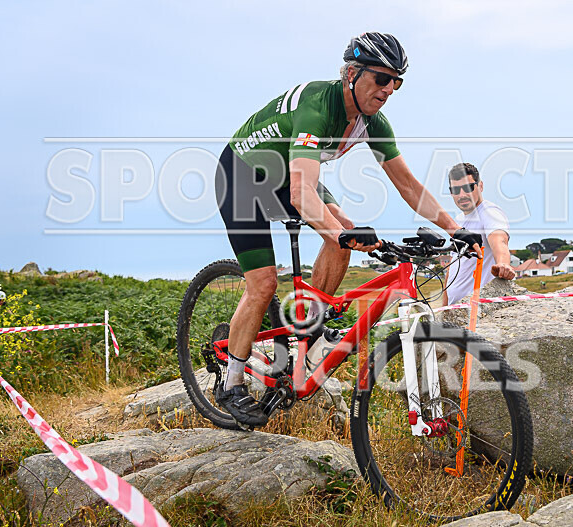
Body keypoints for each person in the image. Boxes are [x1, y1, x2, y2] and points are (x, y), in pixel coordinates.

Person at [214, 32, 481, 427]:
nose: (389, 89)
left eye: (397, 82)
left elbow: (408, 185)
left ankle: (310, 330)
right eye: (381, 79)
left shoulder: (372, 121)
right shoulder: (317, 110)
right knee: (265, 284)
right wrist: (334, 232)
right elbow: (304, 192)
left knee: (344, 233)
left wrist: (455, 229)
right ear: (352, 75)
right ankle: (232, 384)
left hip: (286, 175)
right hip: (242, 177)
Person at [442, 163, 515, 306]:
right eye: (456, 190)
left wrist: (503, 264)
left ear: (480, 186)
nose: (462, 194)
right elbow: (454, 266)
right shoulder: (458, 221)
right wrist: (444, 307)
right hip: (454, 310)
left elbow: (499, 241)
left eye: (468, 187)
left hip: (477, 310)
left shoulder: (490, 213)